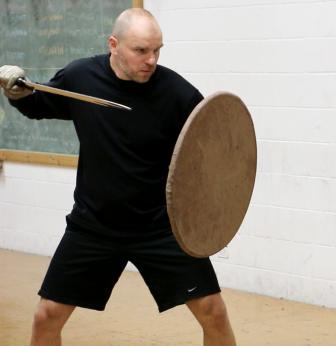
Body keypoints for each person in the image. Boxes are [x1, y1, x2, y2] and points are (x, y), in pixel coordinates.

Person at [0, 9, 236, 346]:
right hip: (94, 225)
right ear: (114, 44)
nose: (151, 60)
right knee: (46, 315)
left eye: (157, 50)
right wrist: (15, 92)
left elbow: (213, 146)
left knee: (214, 311)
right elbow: (38, 104)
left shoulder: (175, 92)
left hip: (159, 227)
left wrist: (210, 214)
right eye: (141, 50)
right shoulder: (81, 78)